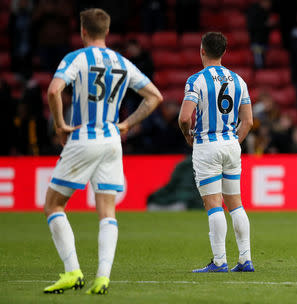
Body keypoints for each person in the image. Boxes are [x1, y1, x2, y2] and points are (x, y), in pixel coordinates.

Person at [43, 8, 163, 294]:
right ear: (106, 32)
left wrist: (60, 124)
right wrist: (127, 124)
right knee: (107, 210)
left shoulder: (76, 58)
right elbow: (155, 97)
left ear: (83, 31)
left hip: (84, 136)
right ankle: (103, 277)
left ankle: (72, 271)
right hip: (111, 139)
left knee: (54, 205)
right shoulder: (122, 62)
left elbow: (52, 90)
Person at [178, 32, 254, 272]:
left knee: (213, 205)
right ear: (224, 51)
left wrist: (187, 135)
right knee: (236, 204)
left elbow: (183, 117)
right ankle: (245, 259)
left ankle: (220, 261)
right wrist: (234, 141)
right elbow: (248, 121)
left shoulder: (196, 80)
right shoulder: (239, 80)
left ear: (202, 50)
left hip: (207, 144)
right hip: (231, 144)